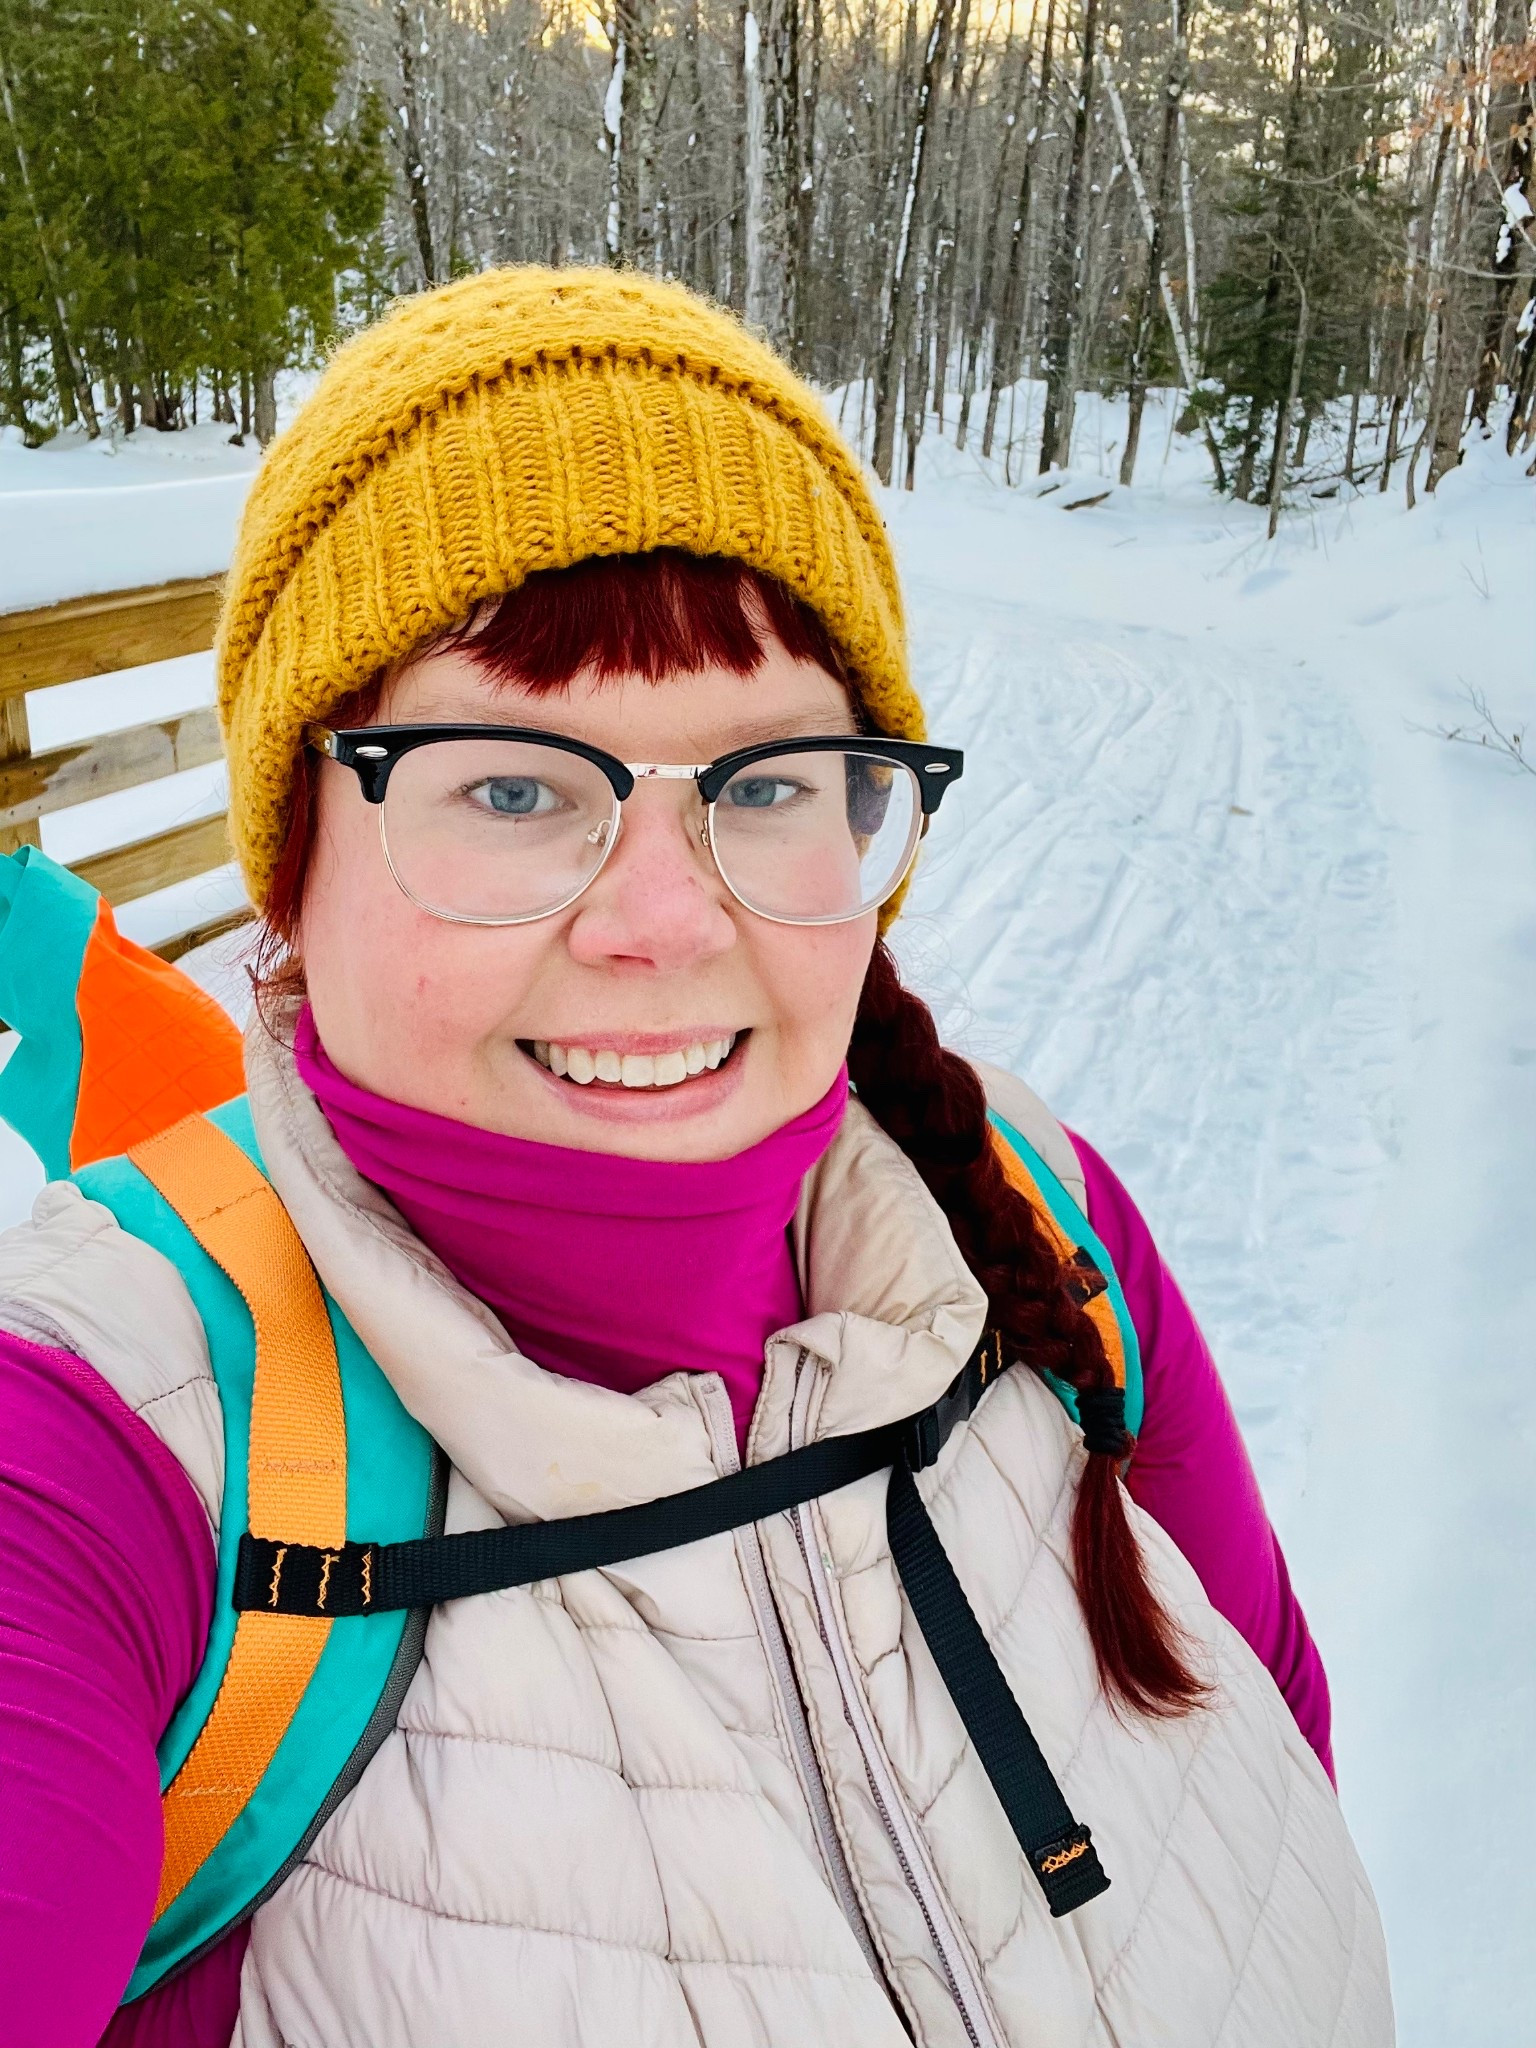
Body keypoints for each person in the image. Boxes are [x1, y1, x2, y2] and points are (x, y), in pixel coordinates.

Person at [0, 267, 1391, 2048]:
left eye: (769, 780)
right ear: (295, 859)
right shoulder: (104, 1442)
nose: (662, 923)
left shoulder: (1031, 1216)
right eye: (512, 787)